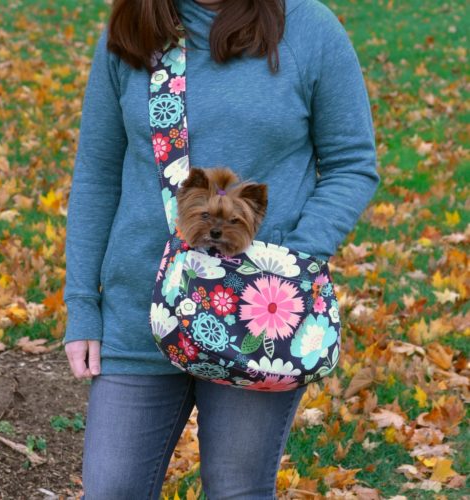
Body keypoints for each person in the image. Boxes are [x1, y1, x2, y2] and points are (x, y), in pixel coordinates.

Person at [63, 0, 380, 498]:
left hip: (258, 318)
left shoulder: (307, 27)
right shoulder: (135, 29)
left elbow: (353, 162)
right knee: (111, 490)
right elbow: (97, 175)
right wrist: (82, 303)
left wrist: (293, 260)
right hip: (139, 310)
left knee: (236, 490)